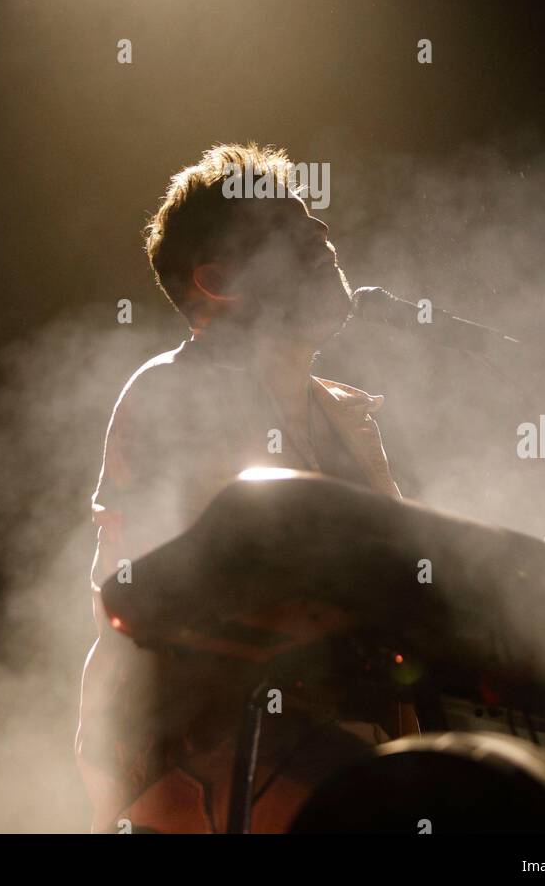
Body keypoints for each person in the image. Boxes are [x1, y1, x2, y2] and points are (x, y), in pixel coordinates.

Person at [76, 143, 405, 832]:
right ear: (219, 279)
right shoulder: (170, 393)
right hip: (196, 757)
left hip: (332, 757)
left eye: (312, 220)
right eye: (287, 230)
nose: (320, 235)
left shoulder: (346, 416)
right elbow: (158, 601)